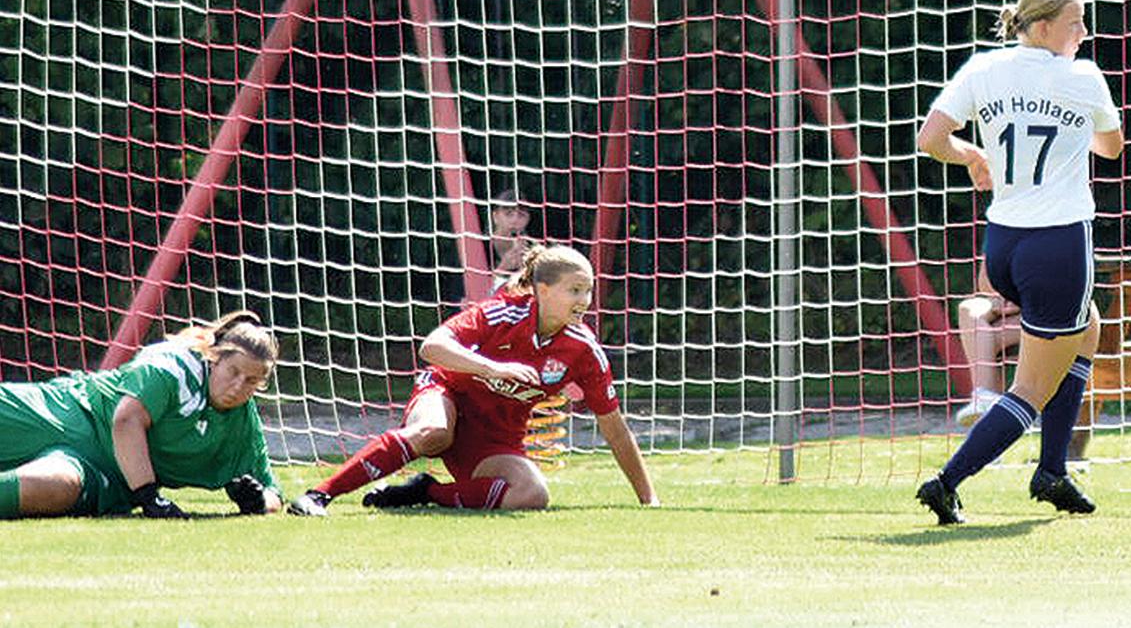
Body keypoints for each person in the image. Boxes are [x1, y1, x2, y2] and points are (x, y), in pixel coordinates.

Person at [914, 0, 1122, 525]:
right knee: (1031, 386)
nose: (1084, 32)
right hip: (1058, 246)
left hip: (1003, 244)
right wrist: (1074, 125)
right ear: (1045, 26)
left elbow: (930, 140)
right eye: (1076, 22)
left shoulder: (984, 68)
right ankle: (947, 482)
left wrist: (973, 156)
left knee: (1087, 330)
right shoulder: (1083, 76)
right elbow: (1111, 147)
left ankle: (1053, 471)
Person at [288, 242, 657, 515]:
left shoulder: (583, 349)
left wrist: (648, 500)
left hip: (494, 436)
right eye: (575, 290)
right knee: (434, 430)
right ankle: (319, 495)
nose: (585, 299)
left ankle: (425, 492)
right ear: (543, 290)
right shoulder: (502, 314)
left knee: (532, 494)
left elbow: (614, 428)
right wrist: (493, 368)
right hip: (445, 393)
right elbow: (432, 347)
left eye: (588, 290)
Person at [0, 310, 282, 518]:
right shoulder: (174, 365)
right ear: (215, 358)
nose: (238, 386)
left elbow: (273, 493)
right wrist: (149, 497)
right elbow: (127, 419)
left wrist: (258, 501)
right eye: (233, 372)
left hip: (101, 474)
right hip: (69, 412)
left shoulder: (242, 423)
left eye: (251, 381)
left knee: (54, 488)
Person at [953, 262, 1022, 426]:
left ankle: (992, 407)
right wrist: (1001, 298)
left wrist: (1018, 300)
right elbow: (984, 283)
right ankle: (985, 397)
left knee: (981, 340)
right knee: (968, 309)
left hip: (1044, 308)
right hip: (1004, 302)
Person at [488, 188, 533, 286]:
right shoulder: (479, 245)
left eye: (521, 215)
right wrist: (503, 267)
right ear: (495, 217)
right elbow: (478, 288)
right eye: (508, 214)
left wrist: (526, 268)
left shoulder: (533, 249)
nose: (515, 220)